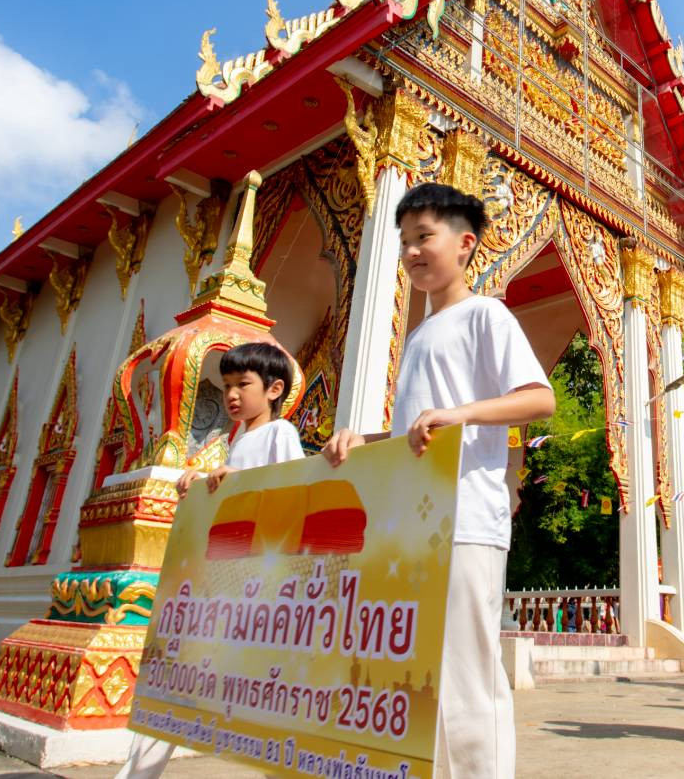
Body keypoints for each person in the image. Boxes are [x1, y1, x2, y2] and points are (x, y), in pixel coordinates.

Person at [325, 183, 555, 779]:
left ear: (465, 243)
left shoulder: (485, 313)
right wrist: (362, 440)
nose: (411, 252)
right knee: (422, 681)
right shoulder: (420, 336)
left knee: (468, 679)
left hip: (467, 520)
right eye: (405, 242)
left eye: (425, 237)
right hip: (414, 523)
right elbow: (415, 433)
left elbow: (539, 399)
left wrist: (459, 413)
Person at [117, 340, 304, 779]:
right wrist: (201, 484)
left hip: (260, 587)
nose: (232, 395)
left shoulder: (281, 434)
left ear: (274, 390)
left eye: (244, 384)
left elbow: (295, 490)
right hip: (223, 582)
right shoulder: (234, 441)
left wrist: (238, 479)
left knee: (270, 704)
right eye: (226, 386)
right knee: (178, 683)